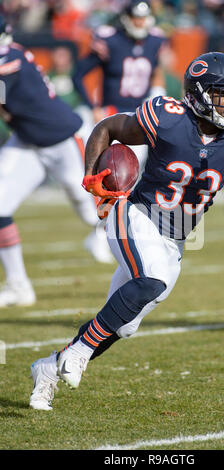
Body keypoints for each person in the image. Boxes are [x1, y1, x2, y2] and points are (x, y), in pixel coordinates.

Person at [29, 51, 224, 411]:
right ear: (199, 94)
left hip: (176, 239)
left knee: (123, 325)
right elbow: (107, 128)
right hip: (137, 214)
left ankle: (47, 368)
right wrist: (92, 179)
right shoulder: (168, 119)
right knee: (151, 281)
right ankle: (77, 352)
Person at [0, 16, 115, 308]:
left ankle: (138, 266)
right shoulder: (11, 54)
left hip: (63, 138)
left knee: (91, 210)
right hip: (27, 140)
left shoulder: (9, 58)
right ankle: (18, 286)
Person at [72, 0, 168, 262]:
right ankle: (102, 233)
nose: (140, 24)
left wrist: (158, 97)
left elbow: (156, 71)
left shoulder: (155, 41)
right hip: (112, 117)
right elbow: (78, 74)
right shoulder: (109, 40)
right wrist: (92, 106)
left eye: (143, 18)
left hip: (140, 118)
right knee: (110, 177)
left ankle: (112, 232)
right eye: (135, 18)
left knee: (131, 178)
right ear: (126, 18)